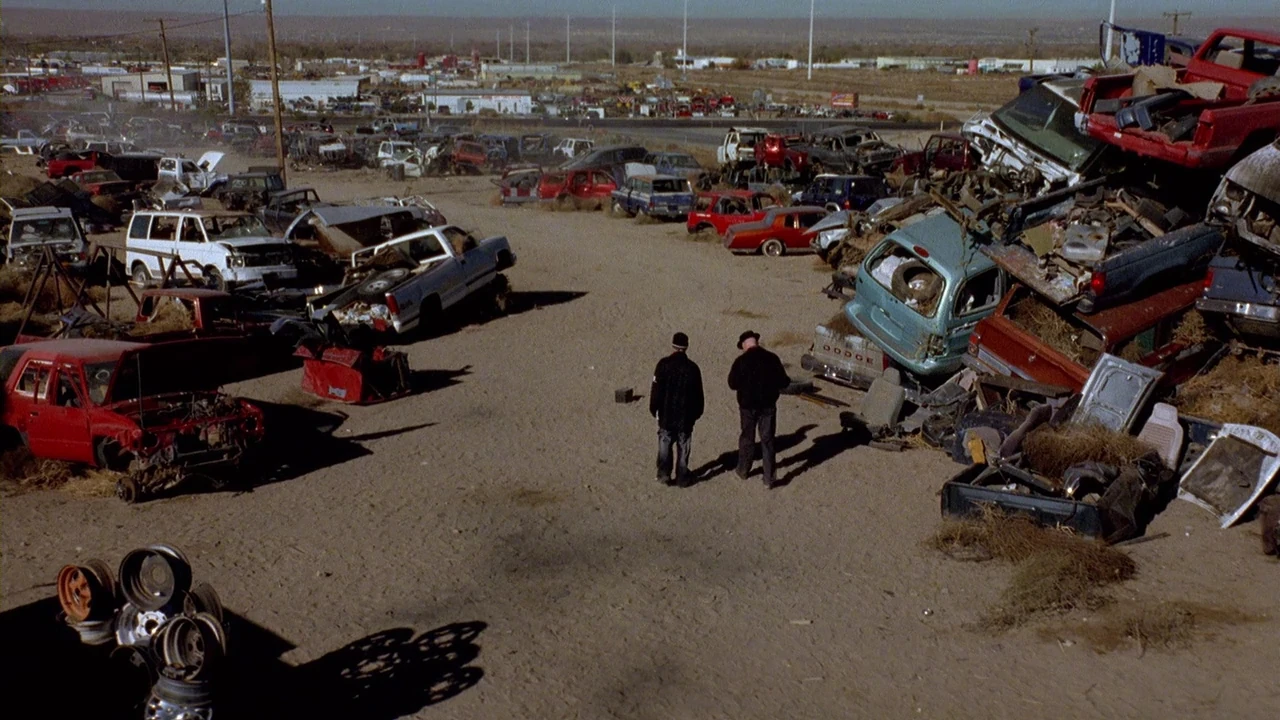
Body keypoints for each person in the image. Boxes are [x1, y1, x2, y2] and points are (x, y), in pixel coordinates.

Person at [728, 330, 791, 488]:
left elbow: (732, 384)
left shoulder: (741, 361)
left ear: (744, 344)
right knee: (768, 441)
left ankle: (743, 470)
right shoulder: (772, 358)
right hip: (768, 405)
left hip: (747, 407)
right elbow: (784, 382)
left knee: (747, 438)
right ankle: (769, 478)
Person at [650, 332, 704, 486]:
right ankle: (682, 476)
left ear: (673, 345)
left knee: (665, 445)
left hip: (666, 414)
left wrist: (654, 409)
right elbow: (698, 395)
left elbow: (656, 391)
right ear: (686, 347)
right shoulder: (693, 368)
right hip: (686, 416)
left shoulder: (663, 365)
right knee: (684, 446)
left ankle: (664, 474)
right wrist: (696, 414)